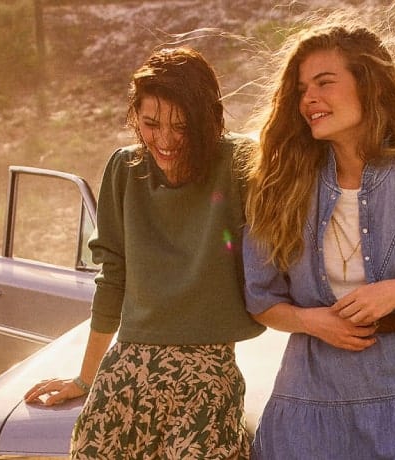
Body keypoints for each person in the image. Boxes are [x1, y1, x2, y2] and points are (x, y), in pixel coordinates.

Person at [243, 21, 395, 459]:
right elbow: (261, 300)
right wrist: (311, 321)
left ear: (368, 85)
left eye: (324, 82)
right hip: (306, 404)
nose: (309, 99)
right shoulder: (278, 188)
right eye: (302, 89)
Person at [24, 46, 265, 459]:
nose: (165, 140)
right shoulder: (124, 168)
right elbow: (112, 279)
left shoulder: (239, 161)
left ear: (207, 120)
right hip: (126, 371)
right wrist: (85, 379)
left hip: (207, 376)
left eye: (181, 126)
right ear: (135, 115)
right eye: (151, 124)